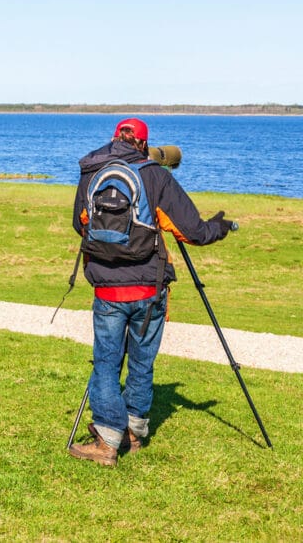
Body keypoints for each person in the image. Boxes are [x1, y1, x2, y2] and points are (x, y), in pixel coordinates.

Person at [69, 117, 234, 466]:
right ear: (143, 144)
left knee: (106, 361)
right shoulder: (156, 175)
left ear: (115, 139)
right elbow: (194, 232)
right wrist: (220, 226)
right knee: (142, 361)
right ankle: (128, 433)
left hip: (107, 289)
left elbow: (79, 223)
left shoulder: (91, 172)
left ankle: (107, 437)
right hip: (149, 287)